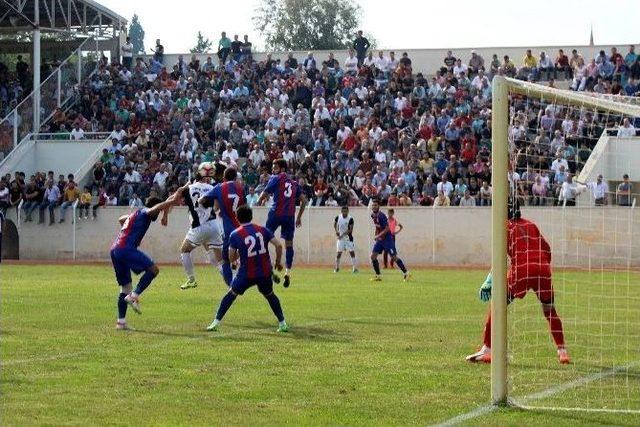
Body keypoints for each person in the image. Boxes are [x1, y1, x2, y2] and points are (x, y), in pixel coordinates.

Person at [466, 200, 569, 364]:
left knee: (497, 304)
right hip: (543, 269)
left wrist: (488, 281)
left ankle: (487, 348)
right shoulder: (531, 225)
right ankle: (562, 351)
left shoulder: (505, 227)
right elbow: (547, 249)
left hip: (521, 270)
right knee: (549, 310)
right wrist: (542, 267)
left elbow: (500, 259)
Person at [206, 205, 288, 333]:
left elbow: (231, 256)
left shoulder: (235, 234)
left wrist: (235, 261)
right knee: (270, 295)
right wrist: (278, 262)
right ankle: (282, 323)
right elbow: (278, 245)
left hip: (246, 274)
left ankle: (215, 322)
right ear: (251, 217)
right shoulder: (263, 230)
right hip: (265, 272)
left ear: (237, 218)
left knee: (231, 294)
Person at [110, 194, 179, 330]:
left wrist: (133, 234)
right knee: (154, 270)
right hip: (125, 249)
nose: (157, 214)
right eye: (157, 212)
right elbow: (156, 208)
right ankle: (134, 296)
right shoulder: (145, 212)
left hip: (115, 249)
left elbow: (121, 219)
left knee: (125, 287)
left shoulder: (135, 214)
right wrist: (169, 203)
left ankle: (121, 322)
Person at [257, 159, 307, 288]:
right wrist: (299, 217)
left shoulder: (275, 178)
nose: (273, 169)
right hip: (289, 217)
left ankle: (269, 268)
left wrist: (259, 200)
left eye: (275, 167)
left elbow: (264, 193)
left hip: (275, 214)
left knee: (264, 240)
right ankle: (287, 272)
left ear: (282, 169)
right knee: (289, 245)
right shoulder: (294, 183)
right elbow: (304, 201)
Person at [176, 162, 225, 290]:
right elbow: (217, 206)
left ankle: (191, 279)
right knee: (218, 259)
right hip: (214, 226)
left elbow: (179, 198)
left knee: (184, 250)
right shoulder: (213, 188)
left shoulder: (189, 188)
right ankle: (231, 282)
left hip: (198, 227)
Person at [199, 167, 246, 287]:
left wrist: (213, 203)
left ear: (224, 178)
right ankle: (238, 271)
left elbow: (202, 200)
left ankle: (231, 285)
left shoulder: (219, 187)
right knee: (239, 254)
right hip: (241, 227)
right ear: (236, 178)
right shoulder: (240, 188)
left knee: (224, 259)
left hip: (228, 229)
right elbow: (244, 206)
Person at [369, 199, 409, 282]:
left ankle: (406, 273)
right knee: (373, 256)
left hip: (388, 239)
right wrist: (377, 236)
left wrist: (378, 235)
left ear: (378, 206)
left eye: (375, 205)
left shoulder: (381, 215)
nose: (374, 206)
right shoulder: (373, 215)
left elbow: (387, 229)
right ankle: (378, 276)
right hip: (380, 240)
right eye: (373, 205)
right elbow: (378, 227)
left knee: (393, 257)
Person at [334, 206, 358, 273]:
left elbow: (350, 230)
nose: (344, 213)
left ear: (348, 211)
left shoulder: (350, 219)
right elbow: (335, 224)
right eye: (343, 211)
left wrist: (342, 235)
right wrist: (336, 231)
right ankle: (337, 268)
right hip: (340, 239)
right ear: (341, 211)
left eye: (346, 211)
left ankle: (355, 268)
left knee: (352, 252)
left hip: (348, 238)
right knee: (338, 253)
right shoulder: (338, 217)